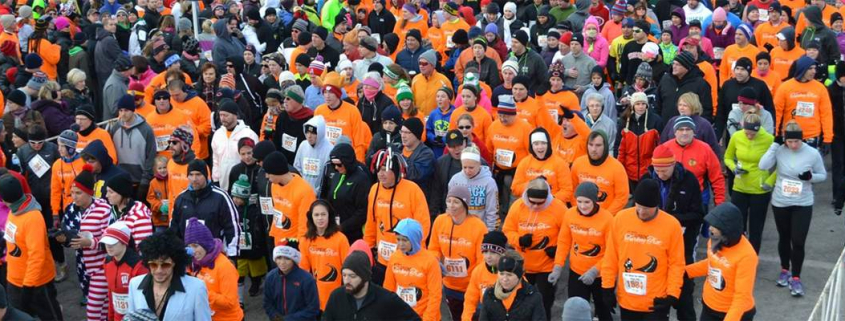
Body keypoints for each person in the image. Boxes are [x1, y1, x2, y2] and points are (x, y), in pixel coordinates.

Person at [758, 121, 827, 297]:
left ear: (802, 139)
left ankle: (796, 277)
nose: (794, 145)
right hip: (781, 201)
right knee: (784, 237)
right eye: (790, 142)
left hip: (803, 202)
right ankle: (784, 269)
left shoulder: (812, 153)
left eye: (797, 142)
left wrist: (810, 177)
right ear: (785, 140)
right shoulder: (779, 149)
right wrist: (774, 145)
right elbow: (763, 165)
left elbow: (823, 175)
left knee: (798, 241)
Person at [601, 179, 685, 319]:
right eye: (638, 206)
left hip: (656, 303)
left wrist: (672, 295)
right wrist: (607, 287)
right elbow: (611, 256)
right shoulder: (621, 219)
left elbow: (676, 264)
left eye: (646, 208)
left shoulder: (672, 225)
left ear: (656, 205)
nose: (641, 212)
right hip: (627, 301)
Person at [641, 144, 704, 320]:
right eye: (657, 170)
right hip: (654, 247)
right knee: (658, 300)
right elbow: (637, 210)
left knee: (684, 301)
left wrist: (674, 220)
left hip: (682, 246)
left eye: (664, 170)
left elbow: (699, 214)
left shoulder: (689, 180)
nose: (660, 175)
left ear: (673, 164)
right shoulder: (647, 180)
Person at [0, 175, 62, 320]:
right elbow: (13, 243)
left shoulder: (32, 217)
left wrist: (28, 287)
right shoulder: (14, 212)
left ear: (5, 198)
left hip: (37, 284)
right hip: (15, 281)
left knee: (50, 317)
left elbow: (37, 256)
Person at [549, 182, 613, 321]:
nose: (583, 206)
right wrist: (558, 267)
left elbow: (611, 253)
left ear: (595, 201)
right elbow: (564, 242)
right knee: (575, 312)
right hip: (577, 272)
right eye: (579, 201)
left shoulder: (607, 219)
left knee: (603, 311)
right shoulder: (570, 214)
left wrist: (595, 271)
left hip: (600, 275)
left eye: (587, 202)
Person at [502, 177, 565, 318]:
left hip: (546, 266)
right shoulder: (518, 206)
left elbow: (567, 235)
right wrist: (519, 240)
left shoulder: (558, 208)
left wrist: (557, 249)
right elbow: (507, 230)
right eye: (532, 202)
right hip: (523, 266)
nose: (536, 206)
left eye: (540, 203)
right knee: (521, 304)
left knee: (544, 304)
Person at [686, 203, 758, 320]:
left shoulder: (747, 256)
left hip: (734, 314)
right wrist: (685, 272)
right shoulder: (715, 240)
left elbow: (741, 297)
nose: (710, 228)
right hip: (709, 307)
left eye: (715, 225)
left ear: (727, 229)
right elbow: (712, 263)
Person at [429, 185, 487, 319]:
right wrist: (436, 262)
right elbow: (433, 248)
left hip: (471, 287)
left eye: (456, 202)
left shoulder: (478, 227)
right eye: (449, 201)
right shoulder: (440, 221)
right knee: (455, 317)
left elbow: (482, 260)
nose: (451, 205)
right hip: (449, 284)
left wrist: (476, 282)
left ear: (465, 204)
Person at [127, 230, 212, 320]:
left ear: (174, 263)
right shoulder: (134, 284)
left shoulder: (196, 288)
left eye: (165, 265)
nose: (159, 270)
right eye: (153, 265)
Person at [724, 113, 776, 253]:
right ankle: (737, 257)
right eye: (747, 133)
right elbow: (727, 157)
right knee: (737, 226)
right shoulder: (737, 136)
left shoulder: (769, 139)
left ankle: (752, 258)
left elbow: (781, 164)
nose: (749, 136)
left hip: (759, 190)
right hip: (740, 187)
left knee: (756, 229)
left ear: (759, 130)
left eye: (753, 134)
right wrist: (734, 169)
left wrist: (770, 181)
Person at [322, 250, 421, 320]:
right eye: (344, 275)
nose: (347, 280)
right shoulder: (336, 297)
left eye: (352, 276)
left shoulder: (386, 299)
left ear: (365, 277)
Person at [169, 159, 240, 257]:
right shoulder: (181, 198)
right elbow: (173, 228)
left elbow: (232, 227)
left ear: (206, 176)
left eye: (198, 174)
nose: (194, 179)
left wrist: (232, 254)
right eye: (191, 175)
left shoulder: (220, 196)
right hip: (188, 257)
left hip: (214, 255)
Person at [184, 218, 244, 320]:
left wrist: (201, 292)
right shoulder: (196, 262)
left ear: (206, 245)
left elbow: (229, 302)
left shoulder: (225, 266)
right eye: (189, 246)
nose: (193, 251)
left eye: (196, 246)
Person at [383, 218, 442, 321]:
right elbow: (388, 288)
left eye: (405, 240)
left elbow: (435, 295)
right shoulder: (394, 257)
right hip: (401, 315)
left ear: (414, 239)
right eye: (398, 239)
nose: (400, 244)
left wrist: (428, 318)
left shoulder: (430, 261)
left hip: (424, 316)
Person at [485, 98, 532, 219]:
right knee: (500, 198)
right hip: (499, 170)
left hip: (517, 171)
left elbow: (531, 153)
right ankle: (500, 219)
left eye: (506, 116)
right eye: (500, 115)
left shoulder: (525, 127)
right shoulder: (494, 126)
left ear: (514, 114)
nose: (502, 119)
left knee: (514, 199)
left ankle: (513, 218)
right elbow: (489, 149)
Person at [299, 200, 349, 311]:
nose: (320, 218)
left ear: (329, 216)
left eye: (323, 214)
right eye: (316, 215)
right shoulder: (305, 240)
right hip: (315, 293)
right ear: (311, 217)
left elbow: (347, 267)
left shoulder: (341, 239)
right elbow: (303, 270)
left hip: (337, 294)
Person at [774, 56, 833, 148]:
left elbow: (826, 114)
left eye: (814, 68)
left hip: (812, 136)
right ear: (802, 68)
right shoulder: (785, 87)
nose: (814, 71)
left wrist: (827, 139)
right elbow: (777, 112)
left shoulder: (820, 88)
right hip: (791, 135)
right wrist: (775, 133)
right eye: (810, 68)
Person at [109, 94, 157, 201]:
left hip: (140, 181)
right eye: (120, 110)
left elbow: (151, 156)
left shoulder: (146, 129)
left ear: (133, 110)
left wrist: (145, 182)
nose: (123, 114)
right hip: (120, 179)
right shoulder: (115, 128)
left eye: (126, 110)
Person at [262, 151, 316, 243]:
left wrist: (299, 246)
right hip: (278, 240)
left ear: (277, 171)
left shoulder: (304, 191)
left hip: (294, 243)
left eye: (268, 173)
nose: (266, 176)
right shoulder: (274, 185)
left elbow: (305, 225)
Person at [570, 131, 629, 215]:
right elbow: (572, 190)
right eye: (590, 145)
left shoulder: (617, 167)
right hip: (581, 214)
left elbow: (622, 197)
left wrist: (606, 215)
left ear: (605, 146)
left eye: (598, 145)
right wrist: (579, 209)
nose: (594, 149)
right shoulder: (578, 163)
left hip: (606, 217)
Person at [321, 143, 371, 242]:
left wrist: (342, 227)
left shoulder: (361, 179)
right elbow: (327, 198)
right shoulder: (336, 175)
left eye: (339, 164)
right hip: (333, 230)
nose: (336, 167)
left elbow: (362, 212)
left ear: (347, 162)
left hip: (352, 235)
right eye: (333, 164)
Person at [228, 174, 267, 299]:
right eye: (234, 197)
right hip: (239, 247)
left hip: (253, 245)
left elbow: (259, 227)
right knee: (239, 273)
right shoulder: (230, 209)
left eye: (239, 198)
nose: (236, 200)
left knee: (256, 270)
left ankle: (256, 282)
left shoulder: (253, 210)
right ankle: (240, 299)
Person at [477, 251, 546, 320]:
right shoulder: (490, 294)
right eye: (501, 274)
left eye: (509, 275)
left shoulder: (533, 297)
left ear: (520, 275)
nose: (504, 279)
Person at [101, 221, 148, 321]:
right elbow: (111, 293)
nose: (108, 246)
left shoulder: (138, 266)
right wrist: (110, 318)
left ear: (124, 242)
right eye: (106, 242)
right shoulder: (107, 262)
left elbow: (145, 300)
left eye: (113, 242)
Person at [615, 92, 663, 190]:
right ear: (632, 105)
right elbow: (619, 147)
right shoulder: (624, 120)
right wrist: (619, 168)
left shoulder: (656, 120)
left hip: (648, 171)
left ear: (647, 105)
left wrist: (655, 169)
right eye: (637, 104)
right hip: (629, 170)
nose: (641, 107)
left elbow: (660, 146)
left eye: (643, 103)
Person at [263, 241, 320, 320]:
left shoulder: (307, 279)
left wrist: (287, 319)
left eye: (287, 258)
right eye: (279, 258)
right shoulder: (270, 277)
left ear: (294, 260)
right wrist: (275, 316)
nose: (282, 262)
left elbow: (313, 308)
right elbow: (267, 303)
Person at [211, 99, 259, 190]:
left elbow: (256, 159)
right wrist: (216, 179)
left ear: (235, 115)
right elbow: (215, 159)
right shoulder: (218, 134)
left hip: (243, 183)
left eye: (226, 115)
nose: (222, 118)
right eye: (220, 115)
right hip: (223, 183)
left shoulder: (249, 134)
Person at [462, 230, 508, 320]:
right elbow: (470, 300)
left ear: (502, 253)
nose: (488, 256)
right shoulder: (478, 271)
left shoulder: (512, 270)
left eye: (493, 252)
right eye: (485, 252)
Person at [656, 51, 713, 121]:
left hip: (689, 129)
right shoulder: (665, 79)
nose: (674, 66)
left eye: (678, 64)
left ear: (687, 67)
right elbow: (658, 104)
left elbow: (706, 110)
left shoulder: (701, 84)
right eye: (673, 63)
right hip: (666, 127)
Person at [105, 173, 153, 247]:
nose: (106, 195)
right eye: (107, 191)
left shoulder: (140, 217)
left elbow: (143, 250)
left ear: (122, 193)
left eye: (111, 192)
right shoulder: (110, 211)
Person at [294, 116, 334, 195]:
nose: (309, 136)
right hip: (303, 192)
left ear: (320, 133)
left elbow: (329, 175)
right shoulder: (303, 145)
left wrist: (317, 191)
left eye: (313, 133)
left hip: (321, 194)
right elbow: (297, 168)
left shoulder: (329, 149)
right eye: (307, 132)